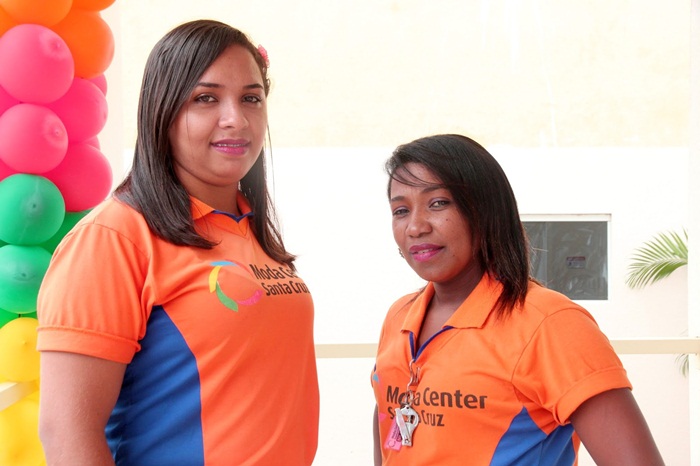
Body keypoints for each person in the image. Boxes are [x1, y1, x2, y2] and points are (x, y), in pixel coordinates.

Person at [36, 19, 319, 466]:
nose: (236, 119)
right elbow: (66, 434)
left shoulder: (248, 228)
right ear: (163, 112)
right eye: (206, 98)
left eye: (251, 98)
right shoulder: (113, 238)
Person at [371, 134, 665, 465]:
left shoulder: (551, 323)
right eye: (400, 210)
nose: (415, 227)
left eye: (438, 203)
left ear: (485, 210)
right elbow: (389, 419)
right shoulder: (399, 316)